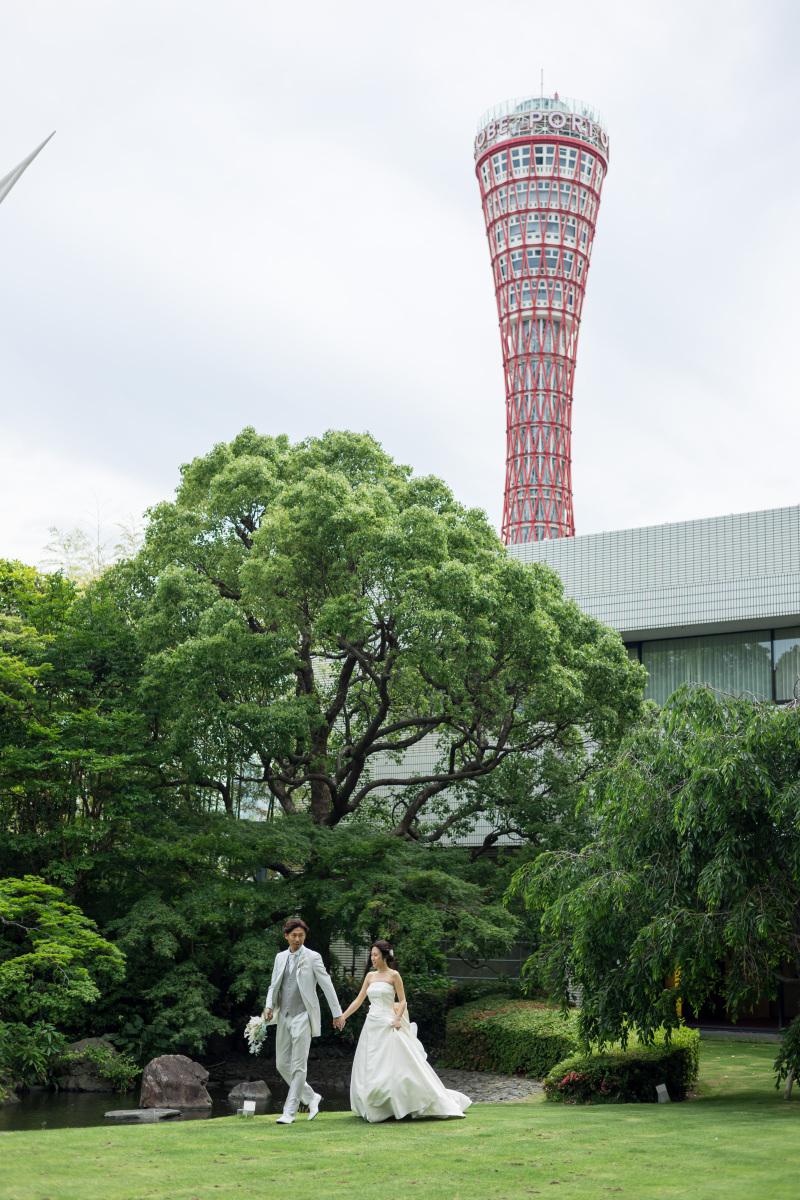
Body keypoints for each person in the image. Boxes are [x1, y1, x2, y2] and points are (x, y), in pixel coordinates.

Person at [340, 939, 471, 1122]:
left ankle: (406, 1102)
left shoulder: (394, 976)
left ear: (385, 956)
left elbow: (402, 1001)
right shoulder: (370, 976)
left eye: (376, 955)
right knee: (370, 1065)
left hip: (389, 1023)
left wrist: (396, 1019)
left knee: (396, 1065)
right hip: (372, 1025)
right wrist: (343, 1016)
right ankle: (377, 1105)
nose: (373, 958)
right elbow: (358, 1000)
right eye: (371, 955)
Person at [263, 917, 345, 1125]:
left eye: (301, 935)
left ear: (304, 936)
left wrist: (337, 1013)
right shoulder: (280, 957)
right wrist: (269, 1006)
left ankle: (289, 1112)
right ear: (286, 936)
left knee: (299, 1066)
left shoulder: (313, 957)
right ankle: (310, 1097)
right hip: (284, 1016)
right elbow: (274, 985)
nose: (297, 939)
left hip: (303, 1016)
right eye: (294, 935)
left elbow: (327, 985)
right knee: (282, 1064)